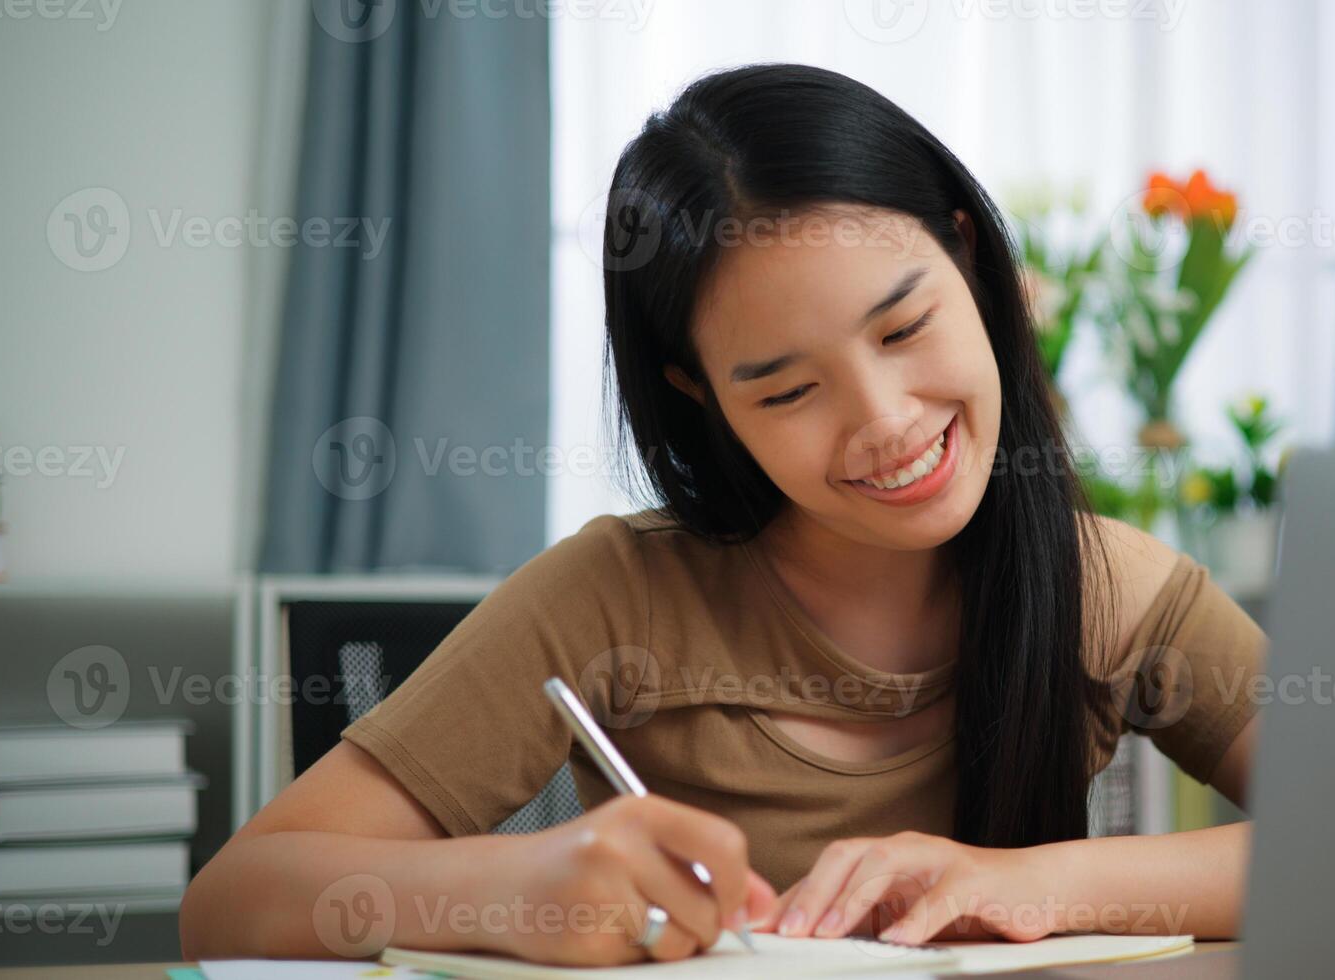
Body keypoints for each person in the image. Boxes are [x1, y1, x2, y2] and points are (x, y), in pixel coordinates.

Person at [181, 62, 1264, 967]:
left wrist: (1031, 883)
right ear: (699, 393)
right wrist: (517, 885)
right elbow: (236, 899)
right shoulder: (616, 595)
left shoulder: (1116, 595)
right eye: (788, 390)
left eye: (901, 328)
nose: (884, 422)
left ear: (966, 256)